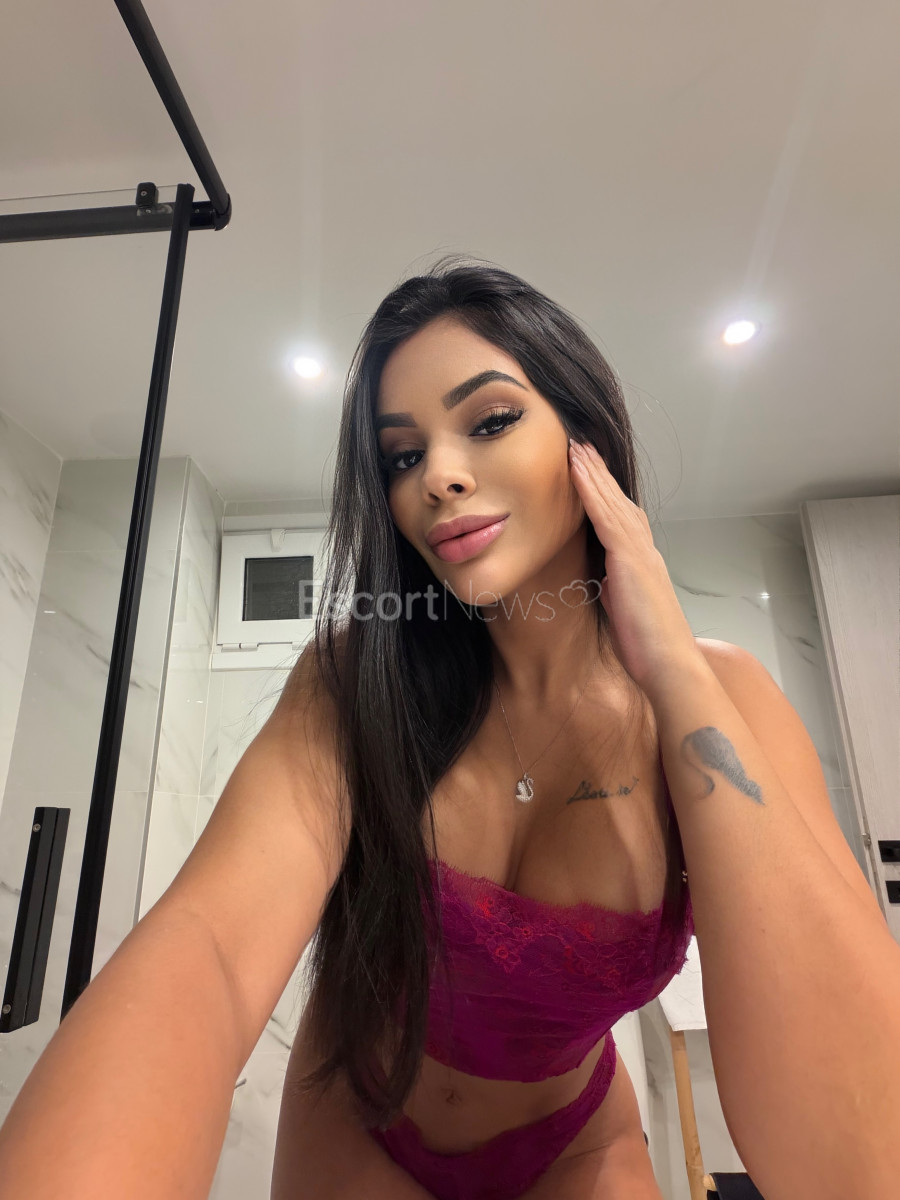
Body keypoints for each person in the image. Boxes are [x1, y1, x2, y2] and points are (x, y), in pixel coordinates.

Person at [1, 258, 899, 1200]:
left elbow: (849, 1162)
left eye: (491, 419)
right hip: (360, 1121)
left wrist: (673, 664)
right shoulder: (356, 682)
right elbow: (210, 948)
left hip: (576, 1144)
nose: (437, 476)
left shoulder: (723, 693)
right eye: (402, 456)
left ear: (587, 439)